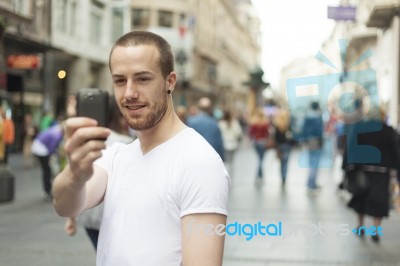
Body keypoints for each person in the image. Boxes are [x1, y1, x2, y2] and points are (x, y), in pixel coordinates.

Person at [52, 31, 229, 265]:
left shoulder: (199, 162)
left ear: (170, 81)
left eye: (143, 79)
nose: (129, 94)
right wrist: (74, 173)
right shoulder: (117, 154)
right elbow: (66, 206)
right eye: (120, 81)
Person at [64, 97, 134, 250]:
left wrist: (71, 217)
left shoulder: (83, 142)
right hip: (113, 216)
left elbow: (74, 177)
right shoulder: (127, 143)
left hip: (87, 214)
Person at [343, 104, 400, 243]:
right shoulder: (388, 131)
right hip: (381, 173)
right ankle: (375, 230)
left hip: (362, 171)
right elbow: (396, 152)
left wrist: (346, 167)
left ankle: (361, 226)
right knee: (379, 202)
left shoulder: (359, 129)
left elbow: (350, 147)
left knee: (360, 199)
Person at [31, 121, 64, 200]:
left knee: (46, 171)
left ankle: (47, 191)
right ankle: (47, 191)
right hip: (41, 150)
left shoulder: (55, 129)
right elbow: (51, 148)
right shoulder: (57, 134)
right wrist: (58, 153)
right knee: (47, 171)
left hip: (37, 147)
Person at [301, 101, 324, 191]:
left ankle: (310, 182)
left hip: (309, 141)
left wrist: (305, 140)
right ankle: (312, 183)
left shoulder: (307, 117)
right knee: (315, 163)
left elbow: (303, 129)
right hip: (316, 140)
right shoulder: (318, 117)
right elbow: (320, 131)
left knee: (311, 162)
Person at [248, 107, 270, 184]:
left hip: (256, 142)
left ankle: (260, 175)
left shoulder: (254, 123)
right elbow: (268, 133)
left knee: (260, 159)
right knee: (261, 160)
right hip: (263, 142)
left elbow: (250, 134)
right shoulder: (265, 123)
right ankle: (259, 175)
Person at [218, 110, 243, 174]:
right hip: (233, 144)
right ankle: (230, 174)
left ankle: (225, 173)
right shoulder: (234, 123)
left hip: (224, 145)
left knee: (225, 161)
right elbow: (238, 133)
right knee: (231, 161)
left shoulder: (220, 123)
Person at [272, 109, 293, 187]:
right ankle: (284, 176)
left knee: (281, 162)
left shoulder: (277, 125)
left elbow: (276, 137)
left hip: (280, 145)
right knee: (285, 162)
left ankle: (282, 176)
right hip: (286, 145)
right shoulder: (288, 125)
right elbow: (291, 137)